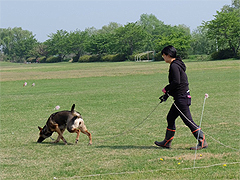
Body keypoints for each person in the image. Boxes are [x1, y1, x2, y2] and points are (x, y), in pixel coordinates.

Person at [154, 45, 208, 150]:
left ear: (168, 55)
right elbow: (178, 84)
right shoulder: (177, 64)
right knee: (170, 117)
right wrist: (167, 95)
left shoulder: (174, 66)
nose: (163, 57)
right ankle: (167, 142)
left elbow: (176, 82)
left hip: (181, 98)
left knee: (188, 120)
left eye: (164, 55)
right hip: (180, 97)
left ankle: (202, 141)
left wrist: (166, 88)